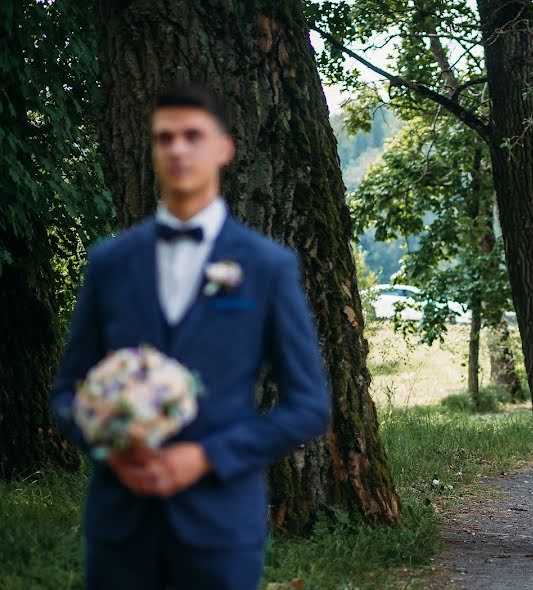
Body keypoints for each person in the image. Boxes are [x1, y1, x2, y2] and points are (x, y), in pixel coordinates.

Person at [51, 83, 331, 589]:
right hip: (120, 529)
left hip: (220, 528)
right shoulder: (109, 264)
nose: (178, 149)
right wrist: (111, 445)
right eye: (165, 138)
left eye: (192, 136)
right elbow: (67, 393)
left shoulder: (267, 268)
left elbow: (307, 405)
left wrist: (205, 457)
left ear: (224, 148)